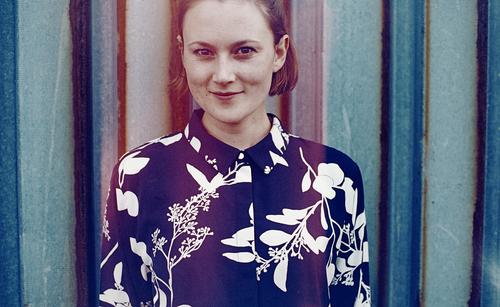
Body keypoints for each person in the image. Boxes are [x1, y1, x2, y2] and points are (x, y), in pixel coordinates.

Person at [99, 0, 370, 306]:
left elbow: (351, 294)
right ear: (182, 53)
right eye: (204, 52)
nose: (223, 75)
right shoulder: (138, 174)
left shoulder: (334, 176)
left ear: (278, 52)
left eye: (244, 51)